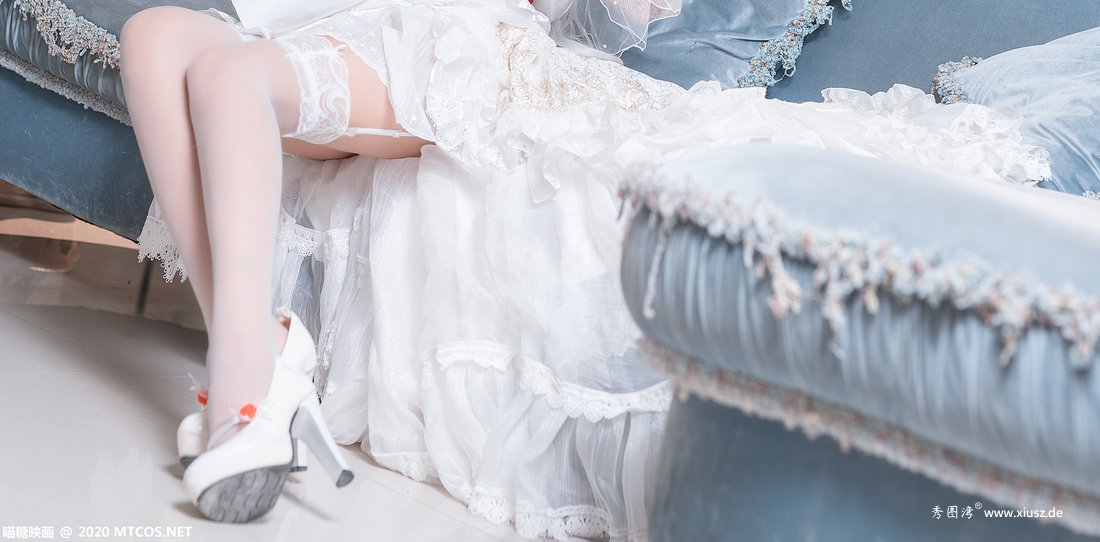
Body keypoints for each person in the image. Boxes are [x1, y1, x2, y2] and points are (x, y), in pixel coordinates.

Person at [119, 0, 1050, 538]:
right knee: (154, 37)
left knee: (230, 80)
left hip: (448, 35)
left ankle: (244, 389)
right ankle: (261, 347)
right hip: (326, 14)